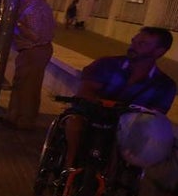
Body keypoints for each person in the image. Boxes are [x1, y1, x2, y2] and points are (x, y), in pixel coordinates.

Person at [61, 26, 176, 171]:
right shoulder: (106, 64)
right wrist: (95, 101)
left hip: (129, 126)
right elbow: (86, 89)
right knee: (74, 123)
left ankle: (111, 175)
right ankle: (70, 163)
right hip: (92, 114)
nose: (133, 46)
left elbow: (156, 115)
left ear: (159, 51)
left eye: (142, 44)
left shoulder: (164, 85)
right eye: (134, 41)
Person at [6, 0, 57, 130]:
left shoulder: (32, 10)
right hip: (38, 51)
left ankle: (23, 120)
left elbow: (35, 35)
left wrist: (18, 24)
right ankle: (17, 117)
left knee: (27, 87)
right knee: (29, 86)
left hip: (33, 51)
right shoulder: (43, 6)